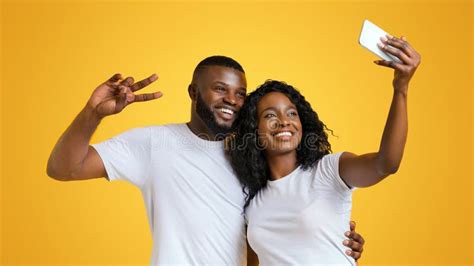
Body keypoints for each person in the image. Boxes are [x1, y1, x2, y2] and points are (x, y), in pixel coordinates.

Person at [47, 56, 365, 264]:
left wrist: (334, 239)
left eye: (240, 93)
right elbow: (63, 168)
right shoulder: (153, 144)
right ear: (193, 92)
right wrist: (92, 114)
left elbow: (271, 230)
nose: (231, 99)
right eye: (219, 89)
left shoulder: (253, 156)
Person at [228, 36, 420, 265]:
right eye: (270, 115)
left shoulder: (329, 170)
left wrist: (401, 89)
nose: (284, 121)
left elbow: (386, 163)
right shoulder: (253, 199)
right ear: (254, 129)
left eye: (291, 113)